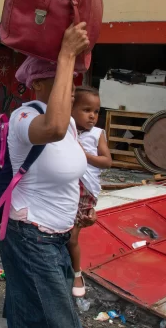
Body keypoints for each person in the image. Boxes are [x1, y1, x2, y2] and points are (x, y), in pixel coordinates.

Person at [0, 22, 92, 328]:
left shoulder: (71, 124)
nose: (73, 85)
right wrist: (66, 54)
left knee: (28, 316)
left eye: (74, 78)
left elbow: (66, 172)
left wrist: (80, 207)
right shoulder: (24, 116)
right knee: (62, 322)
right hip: (32, 237)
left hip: (60, 236)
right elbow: (51, 128)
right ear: (37, 85)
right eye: (63, 77)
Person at [67, 86, 112, 299]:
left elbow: (107, 161)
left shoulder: (97, 134)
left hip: (86, 190)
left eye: (96, 111)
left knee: (73, 235)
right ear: (71, 109)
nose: (93, 116)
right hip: (65, 186)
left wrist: (84, 155)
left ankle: (77, 274)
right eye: (86, 110)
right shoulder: (65, 130)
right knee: (62, 231)